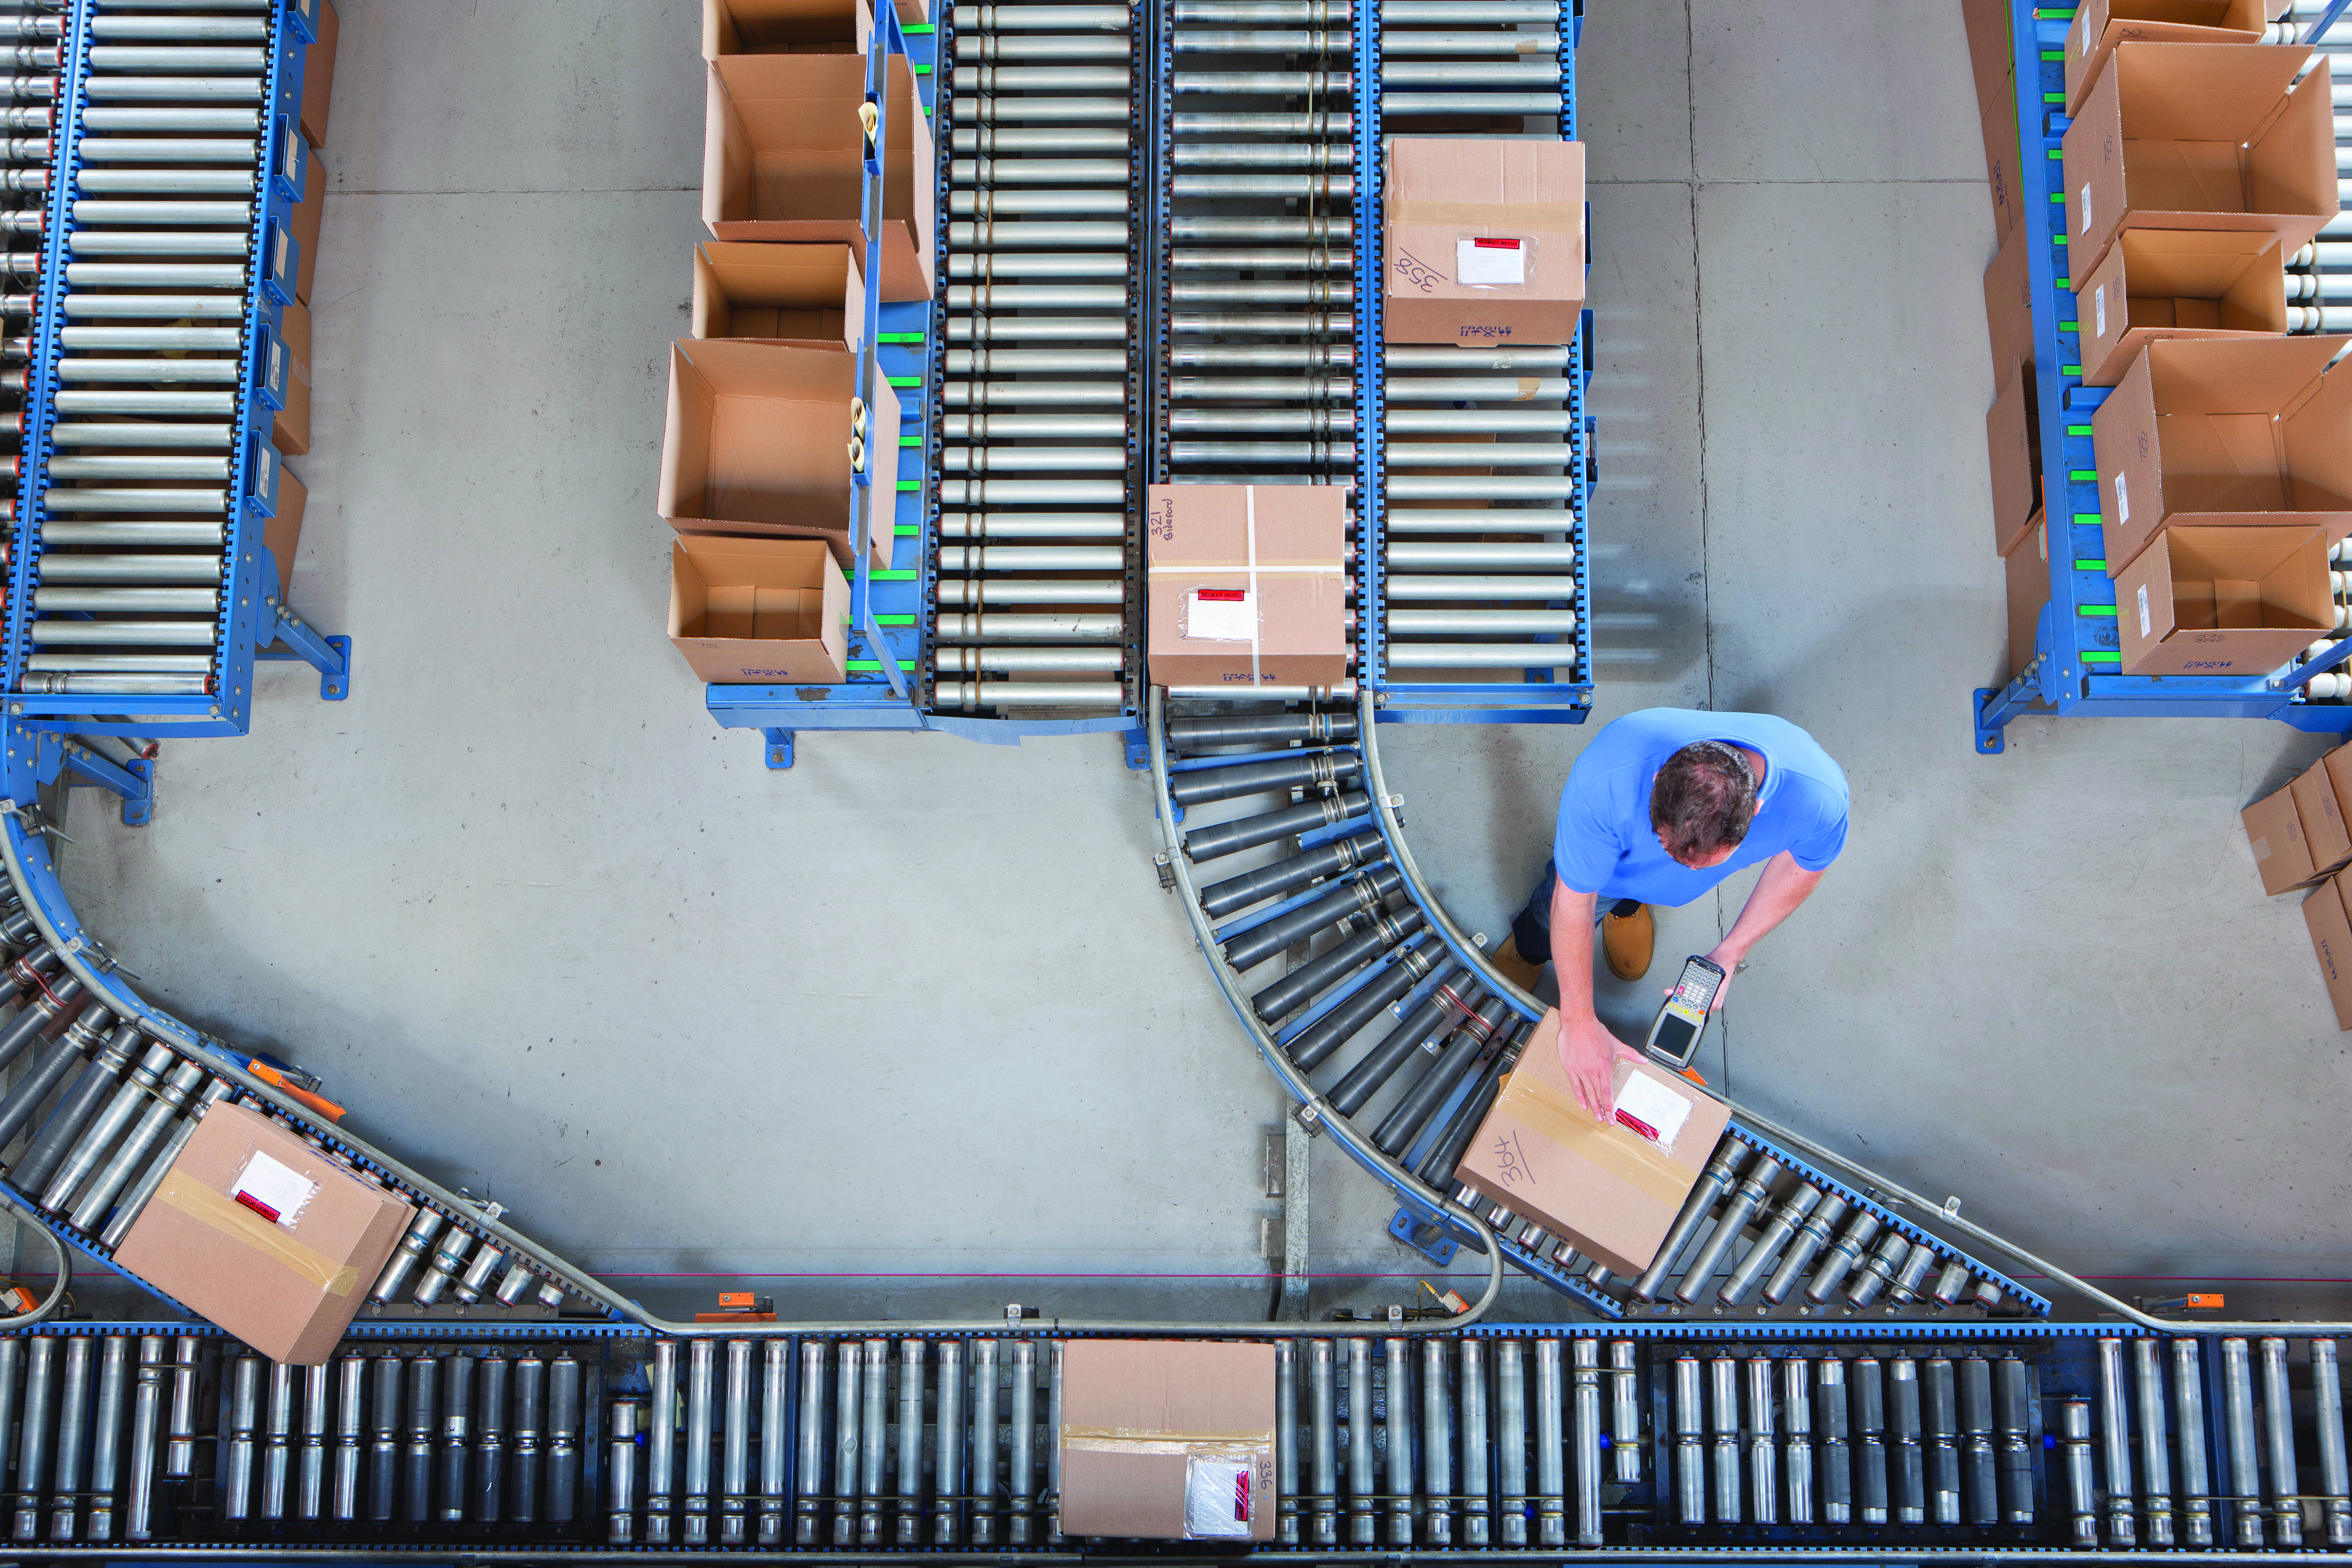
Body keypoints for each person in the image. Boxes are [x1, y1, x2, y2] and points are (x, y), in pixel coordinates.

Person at [1490, 708, 1849, 1123]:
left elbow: (1806, 864)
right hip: (1604, 873)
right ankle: (1529, 949)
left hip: (1640, 873)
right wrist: (1577, 1020)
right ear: (1658, 780)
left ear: (1756, 810)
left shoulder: (1818, 799)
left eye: (1706, 862)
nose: (1689, 869)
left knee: (1638, 888)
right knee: (1548, 919)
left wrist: (1729, 953)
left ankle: (1627, 909)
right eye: (1666, 846)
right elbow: (1574, 899)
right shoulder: (1608, 775)